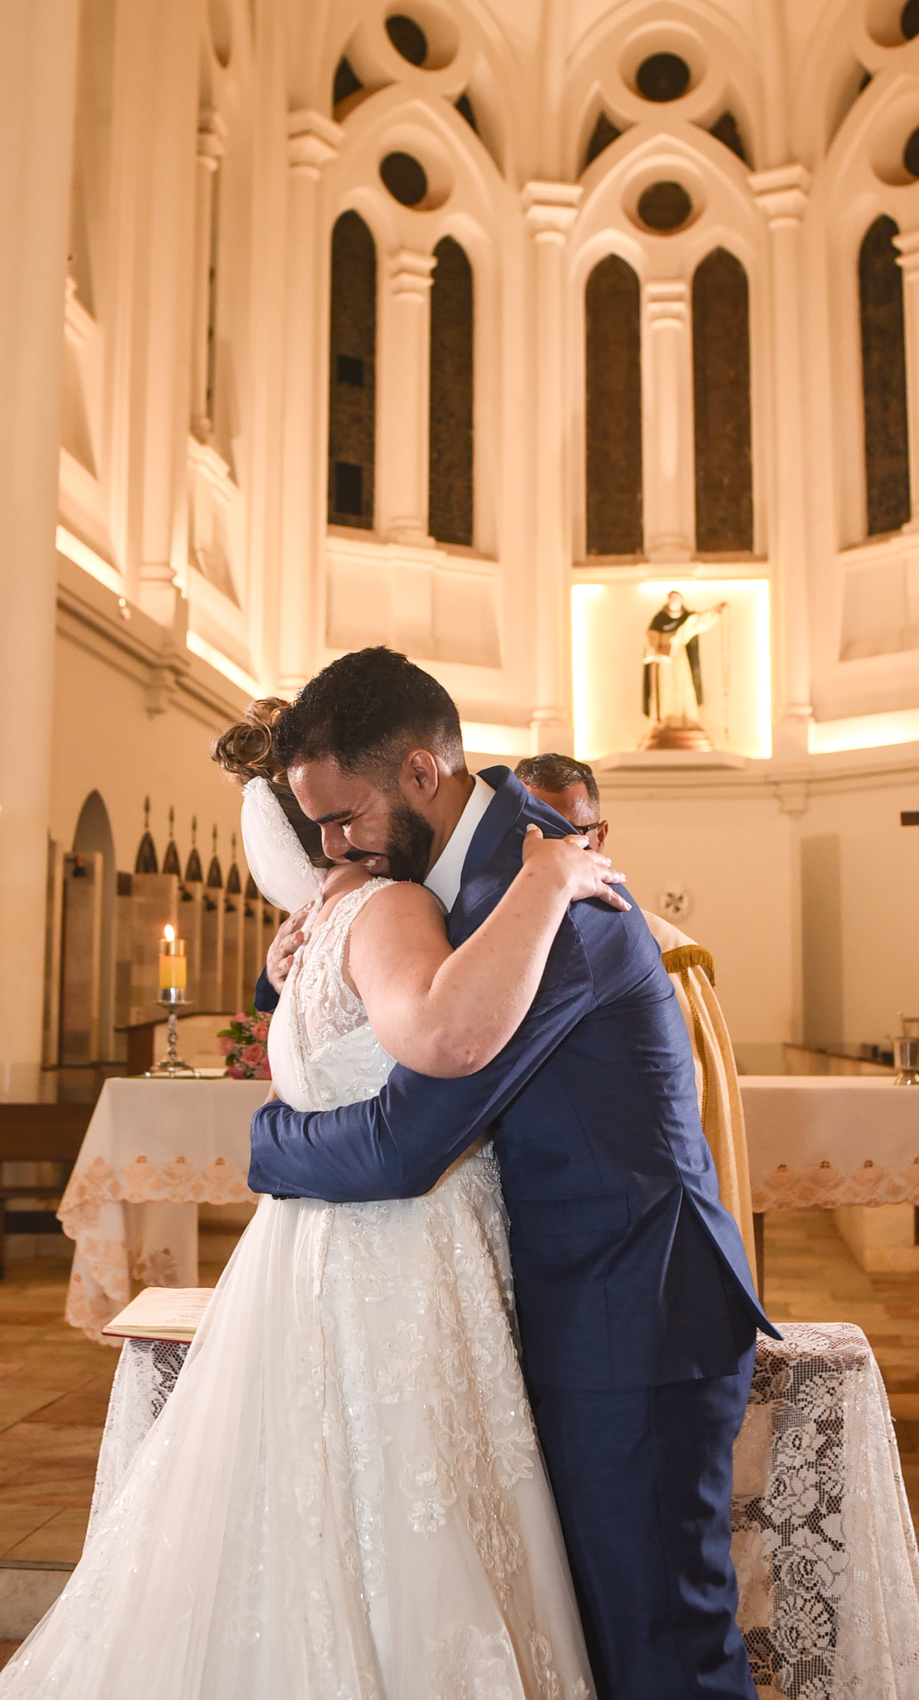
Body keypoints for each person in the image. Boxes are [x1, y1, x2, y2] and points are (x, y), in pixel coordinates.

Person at [0, 698, 624, 1700]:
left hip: (306, 1254)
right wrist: (543, 887)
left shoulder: (305, 938)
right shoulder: (391, 909)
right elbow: (442, 1038)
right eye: (339, 814)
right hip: (402, 1255)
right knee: (414, 1520)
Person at [249, 647, 776, 1700]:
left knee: (664, 1651)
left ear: (420, 774)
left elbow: (408, 1140)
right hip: (563, 1306)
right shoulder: (452, 886)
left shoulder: (548, 903)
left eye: (343, 817)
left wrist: (266, 1144)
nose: (331, 847)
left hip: (635, 1313)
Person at [513, 754, 757, 1282]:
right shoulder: (487, 943)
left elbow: (689, 1108)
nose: (555, 852)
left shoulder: (668, 953)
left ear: (599, 836)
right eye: (535, 831)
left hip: (634, 1218)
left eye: (569, 833)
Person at [642, 589, 726, 742]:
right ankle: (664, 722)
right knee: (665, 691)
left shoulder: (686, 620)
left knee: (683, 688)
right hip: (662, 663)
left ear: (681, 601)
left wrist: (716, 611)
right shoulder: (659, 620)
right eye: (671, 598)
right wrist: (655, 651)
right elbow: (650, 638)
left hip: (679, 659)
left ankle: (687, 721)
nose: (673, 601)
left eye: (676, 598)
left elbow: (701, 620)